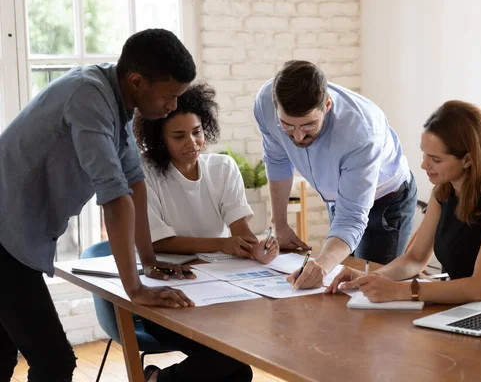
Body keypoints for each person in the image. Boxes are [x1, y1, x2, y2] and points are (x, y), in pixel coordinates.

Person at [0, 29, 198, 381]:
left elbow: (133, 180)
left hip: (12, 235)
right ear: (137, 81)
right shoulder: (87, 96)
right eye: (169, 96)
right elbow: (114, 196)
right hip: (3, 239)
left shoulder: (115, 98)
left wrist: (148, 261)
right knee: (54, 362)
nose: (173, 106)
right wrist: (134, 290)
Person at [326, 100, 481, 304]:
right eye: (424, 154)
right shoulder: (444, 192)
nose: (424, 165)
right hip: (465, 308)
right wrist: (370, 278)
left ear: (468, 159)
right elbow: (415, 259)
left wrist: (401, 290)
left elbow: (479, 289)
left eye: (435, 159)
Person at [253, 60, 417, 290]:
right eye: (288, 126)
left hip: (387, 200)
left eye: (309, 125)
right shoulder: (264, 104)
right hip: (340, 198)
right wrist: (279, 224)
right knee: (338, 284)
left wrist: (321, 264)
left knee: (371, 290)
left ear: (327, 105)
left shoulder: (361, 132)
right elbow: (277, 159)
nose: (298, 136)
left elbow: (351, 218)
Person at [133, 82, 279, 264]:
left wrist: (257, 250)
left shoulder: (223, 168)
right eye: (179, 136)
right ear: (160, 139)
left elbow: (240, 231)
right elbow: (155, 242)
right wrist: (222, 244)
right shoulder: (143, 171)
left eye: (197, 132)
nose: (192, 143)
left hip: (215, 271)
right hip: (165, 270)